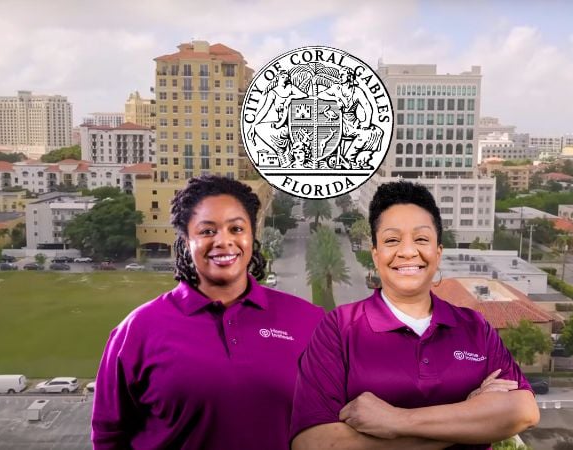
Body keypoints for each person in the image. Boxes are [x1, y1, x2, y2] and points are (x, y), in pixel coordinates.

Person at [290, 180, 539, 450]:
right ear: (375, 254)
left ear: (438, 252)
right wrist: (469, 415)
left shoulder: (474, 327)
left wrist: (396, 421)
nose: (408, 252)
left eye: (421, 239)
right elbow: (312, 442)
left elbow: (524, 411)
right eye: (392, 240)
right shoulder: (339, 328)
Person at [92, 175, 324, 449]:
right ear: (186, 241)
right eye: (207, 231)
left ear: (252, 235)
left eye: (236, 229)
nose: (223, 242)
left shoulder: (309, 321)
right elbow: (109, 436)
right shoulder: (137, 330)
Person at [317, 66, 384, 169]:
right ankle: (349, 158)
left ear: (349, 76)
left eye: (342, 75)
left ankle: (363, 158)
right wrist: (335, 99)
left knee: (377, 132)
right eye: (339, 75)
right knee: (364, 134)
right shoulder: (336, 88)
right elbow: (320, 94)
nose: (339, 77)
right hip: (340, 122)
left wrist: (366, 122)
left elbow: (367, 107)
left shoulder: (357, 91)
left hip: (353, 121)